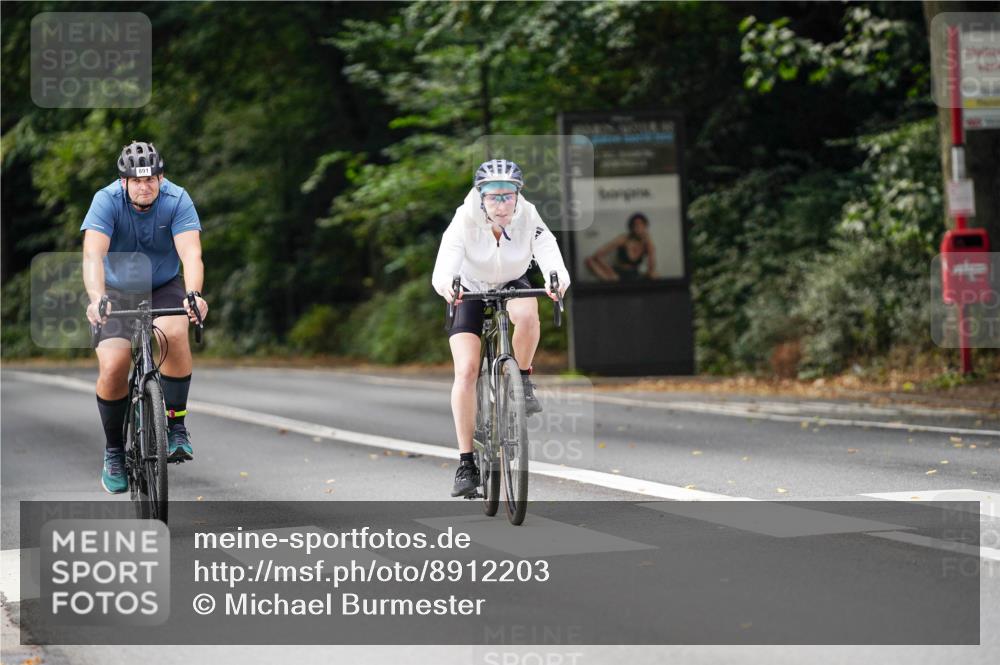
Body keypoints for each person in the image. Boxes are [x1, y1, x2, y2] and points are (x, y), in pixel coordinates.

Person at [432, 159, 571, 498]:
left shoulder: (527, 214)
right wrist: (448, 286)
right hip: (469, 286)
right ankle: (466, 462)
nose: (502, 204)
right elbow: (446, 260)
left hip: (512, 279)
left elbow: (547, 248)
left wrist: (558, 280)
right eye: (494, 197)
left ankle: (521, 378)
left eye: (509, 196)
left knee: (527, 314)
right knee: (465, 371)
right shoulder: (464, 220)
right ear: (480, 198)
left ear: (517, 195)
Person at [82, 141, 208, 494]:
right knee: (113, 365)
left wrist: (194, 294)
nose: (144, 186)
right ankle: (114, 452)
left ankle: (176, 426)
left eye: (151, 178)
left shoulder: (177, 200)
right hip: (115, 290)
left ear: (161, 177)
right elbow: (93, 256)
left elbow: (191, 254)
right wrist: (97, 298)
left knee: (175, 331)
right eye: (136, 180)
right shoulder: (106, 200)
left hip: (162, 283)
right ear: (123, 182)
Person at [584, 212, 658, 282]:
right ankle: (612, 282)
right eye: (635, 225)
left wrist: (650, 244)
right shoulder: (624, 239)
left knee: (654, 275)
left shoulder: (647, 242)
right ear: (631, 227)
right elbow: (597, 255)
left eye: (641, 224)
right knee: (589, 260)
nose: (638, 227)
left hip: (635, 275)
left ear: (645, 226)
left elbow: (651, 269)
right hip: (618, 274)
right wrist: (610, 271)